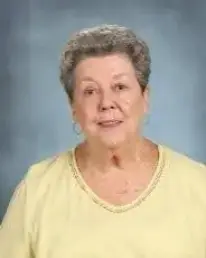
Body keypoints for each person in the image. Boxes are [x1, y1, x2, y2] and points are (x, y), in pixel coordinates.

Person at [0, 24, 206, 258]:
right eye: (90, 91)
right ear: (73, 108)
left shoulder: (199, 186)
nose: (106, 102)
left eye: (120, 87)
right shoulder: (37, 190)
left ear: (145, 98)